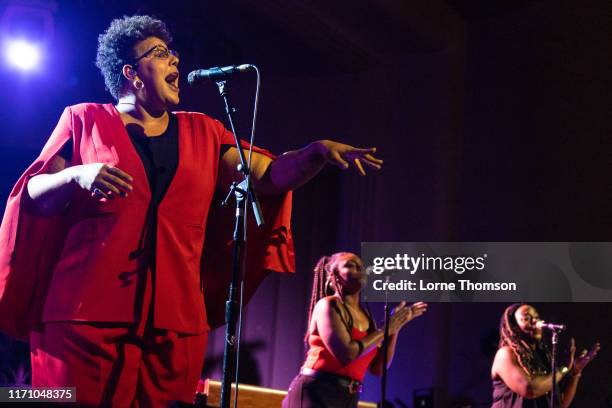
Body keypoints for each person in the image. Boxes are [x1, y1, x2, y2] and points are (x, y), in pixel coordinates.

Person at [0, 15, 384, 406]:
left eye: (173, 53)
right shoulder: (84, 119)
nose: (175, 61)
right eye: (161, 54)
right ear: (132, 73)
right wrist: (77, 175)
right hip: (85, 317)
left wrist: (314, 153)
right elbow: (33, 191)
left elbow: (268, 175)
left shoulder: (204, 132)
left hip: (174, 321)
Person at [283, 252, 427, 408]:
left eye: (361, 266)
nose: (360, 268)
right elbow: (347, 353)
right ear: (334, 277)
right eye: (350, 265)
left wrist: (394, 328)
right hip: (316, 391)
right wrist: (386, 328)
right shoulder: (327, 306)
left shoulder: (367, 316)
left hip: (348, 397)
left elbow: (378, 368)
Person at [491, 303, 600, 408]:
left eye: (537, 317)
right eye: (527, 318)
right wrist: (564, 368)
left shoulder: (543, 357)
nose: (536, 321)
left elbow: (560, 404)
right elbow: (530, 389)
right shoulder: (505, 354)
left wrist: (576, 372)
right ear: (514, 327)